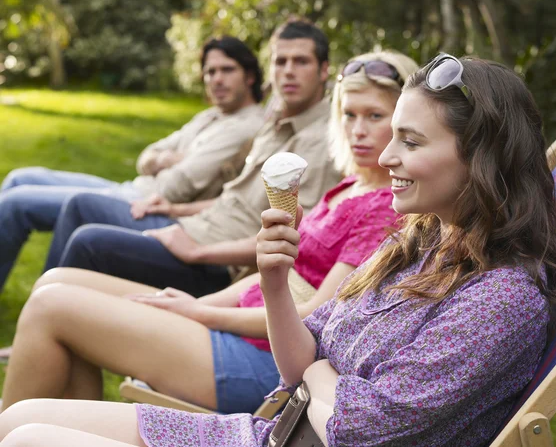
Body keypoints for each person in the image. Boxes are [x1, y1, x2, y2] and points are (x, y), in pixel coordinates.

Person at [0, 54, 556, 446]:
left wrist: (320, 376)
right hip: (264, 432)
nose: (388, 156)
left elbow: (357, 431)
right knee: (21, 419)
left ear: (480, 159)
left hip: (276, 434)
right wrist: (274, 278)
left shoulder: (502, 301)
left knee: (27, 439)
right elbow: (305, 358)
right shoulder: (420, 245)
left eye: (410, 139)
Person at [0, 50, 417, 416]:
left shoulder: (385, 209)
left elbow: (316, 316)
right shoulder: (347, 188)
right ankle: (56, 429)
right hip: (235, 325)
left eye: (375, 116)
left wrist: (199, 313)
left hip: (269, 366)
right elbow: (279, 275)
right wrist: (196, 303)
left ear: (402, 126)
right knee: (57, 280)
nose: (357, 129)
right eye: (349, 113)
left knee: (52, 307)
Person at [40, 18, 340, 297]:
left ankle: (47, 326)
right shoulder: (275, 126)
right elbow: (233, 200)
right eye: (280, 61)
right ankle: (47, 325)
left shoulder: (323, 143)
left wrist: (197, 252)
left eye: (301, 61)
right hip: (196, 227)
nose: (288, 71)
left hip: (218, 264)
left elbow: (297, 240)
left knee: (89, 243)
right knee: (81, 205)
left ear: (324, 70)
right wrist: (175, 209)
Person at [0, 35, 265, 293]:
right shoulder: (210, 116)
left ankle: (39, 309)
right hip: (133, 187)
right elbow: (147, 156)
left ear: (250, 76)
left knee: (15, 205)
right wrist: (167, 159)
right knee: (20, 178)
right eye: (210, 72)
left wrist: (164, 163)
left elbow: (175, 186)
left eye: (227, 70)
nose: (216, 79)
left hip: (144, 203)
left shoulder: (245, 126)